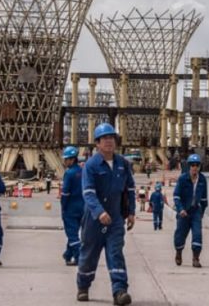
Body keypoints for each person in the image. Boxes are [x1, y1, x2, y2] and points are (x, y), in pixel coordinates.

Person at [78, 123, 135, 305]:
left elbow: (130, 189)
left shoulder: (123, 164)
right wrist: (99, 212)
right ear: (97, 143)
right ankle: (83, 286)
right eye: (105, 138)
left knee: (115, 253)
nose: (109, 141)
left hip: (116, 218)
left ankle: (119, 292)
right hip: (94, 219)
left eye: (111, 138)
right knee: (89, 254)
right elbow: (88, 192)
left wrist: (132, 212)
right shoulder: (91, 165)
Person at [173, 153, 208, 268]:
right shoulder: (183, 179)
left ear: (199, 167)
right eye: (192, 165)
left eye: (197, 165)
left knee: (197, 234)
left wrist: (201, 212)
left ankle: (195, 258)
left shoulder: (202, 180)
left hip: (196, 211)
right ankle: (178, 253)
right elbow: (176, 196)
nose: (195, 167)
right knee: (180, 236)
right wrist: (180, 209)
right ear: (189, 166)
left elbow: (204, 199)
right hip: (184, 212)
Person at [61, 146, 84, 266]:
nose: (64, 162)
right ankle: (68, 254)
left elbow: (65, 193)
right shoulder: (82, 171)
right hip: (83, 207)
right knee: (74, 232)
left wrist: (63, 207)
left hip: (70, 208)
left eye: (66, 159)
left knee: (72, 234)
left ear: (72, 159)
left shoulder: (69, 173)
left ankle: (79, 257)